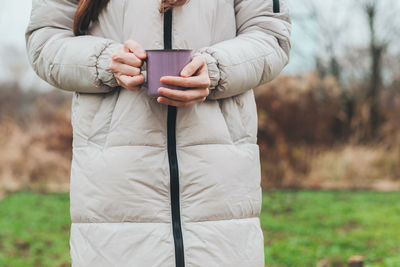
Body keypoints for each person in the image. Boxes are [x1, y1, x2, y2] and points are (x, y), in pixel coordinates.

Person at [25, 0, 291, 266]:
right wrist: (105, 61)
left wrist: (215, 68)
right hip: (114, 185)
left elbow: (270, 34)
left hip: (220, 182)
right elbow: (45, 41)